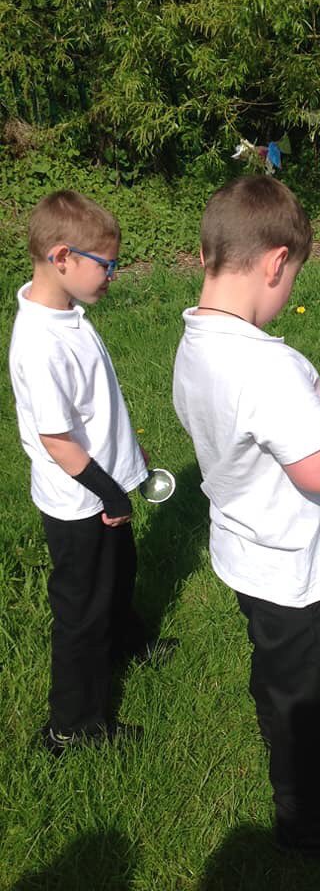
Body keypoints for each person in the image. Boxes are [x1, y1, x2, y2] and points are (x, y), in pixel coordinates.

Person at [172, 175, 320, 854]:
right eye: (291, 275)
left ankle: (302, 730)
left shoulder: (192, 346)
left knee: (280, 670)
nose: (289, 287)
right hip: (300, 572)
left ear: (206, 257)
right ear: (274, 264)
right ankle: (309, 816)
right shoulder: (269, 368)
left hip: (246, 554)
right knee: (318, 681)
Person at [8, 190, 161, 756]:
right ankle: (72, 727)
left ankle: (126, 642)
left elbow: (98, 408)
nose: (113, 276)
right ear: (62, 256)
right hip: (79, 502)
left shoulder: (68, 313)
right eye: (107, 265)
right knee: (81, 611)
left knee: (119, 576)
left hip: (106, 484)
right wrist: (109, 492)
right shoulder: (38, 343)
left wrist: (129, 462)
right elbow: (56, 440)